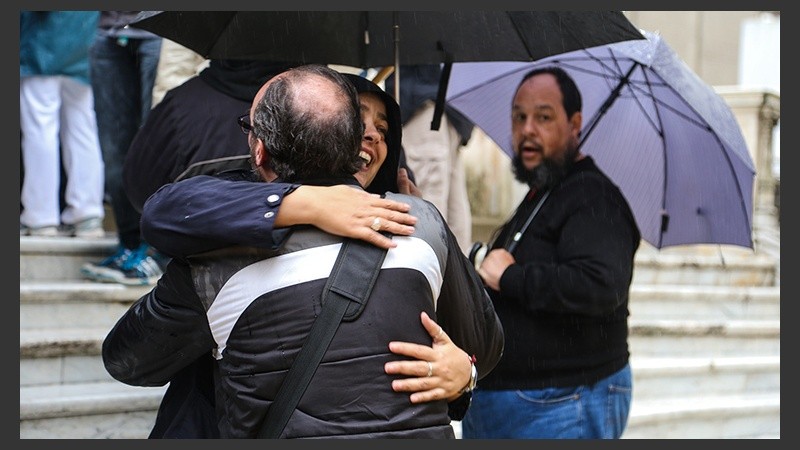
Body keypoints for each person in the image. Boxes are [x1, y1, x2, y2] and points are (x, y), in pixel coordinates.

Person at [103, 64, 503, 438]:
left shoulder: (418, 225)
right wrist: (302, 204)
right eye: (358, 122)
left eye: (383, 128)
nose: (371, 136)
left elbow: (480, 347)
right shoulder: (227, 233)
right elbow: (165, 210)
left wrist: (462, 372)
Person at [459, 66, 641, 439]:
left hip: (562, 405)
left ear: (575, 124)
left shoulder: (594, 196)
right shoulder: (542, 193)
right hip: (511, 404)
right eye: (519, 117)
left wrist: (511, 277)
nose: (527, 129)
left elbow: (600, 285)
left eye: (544, 117)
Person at [81, 11, 164, 285]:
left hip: (161, 31)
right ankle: (127, 244)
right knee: (114, 150)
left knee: (156, 144)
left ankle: (156, 249)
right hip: (108, 30)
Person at [19, 11, 105, 238]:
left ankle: (40, 216)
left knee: (40, 129)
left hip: (42, 41)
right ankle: (87, 213)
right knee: (83, 129)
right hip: (84, 37)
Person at [385, 64, 475, 254]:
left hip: (423, 104)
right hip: (452, 106)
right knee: (451, 214)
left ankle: (433, 280)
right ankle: (458, 280)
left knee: (427, 216)